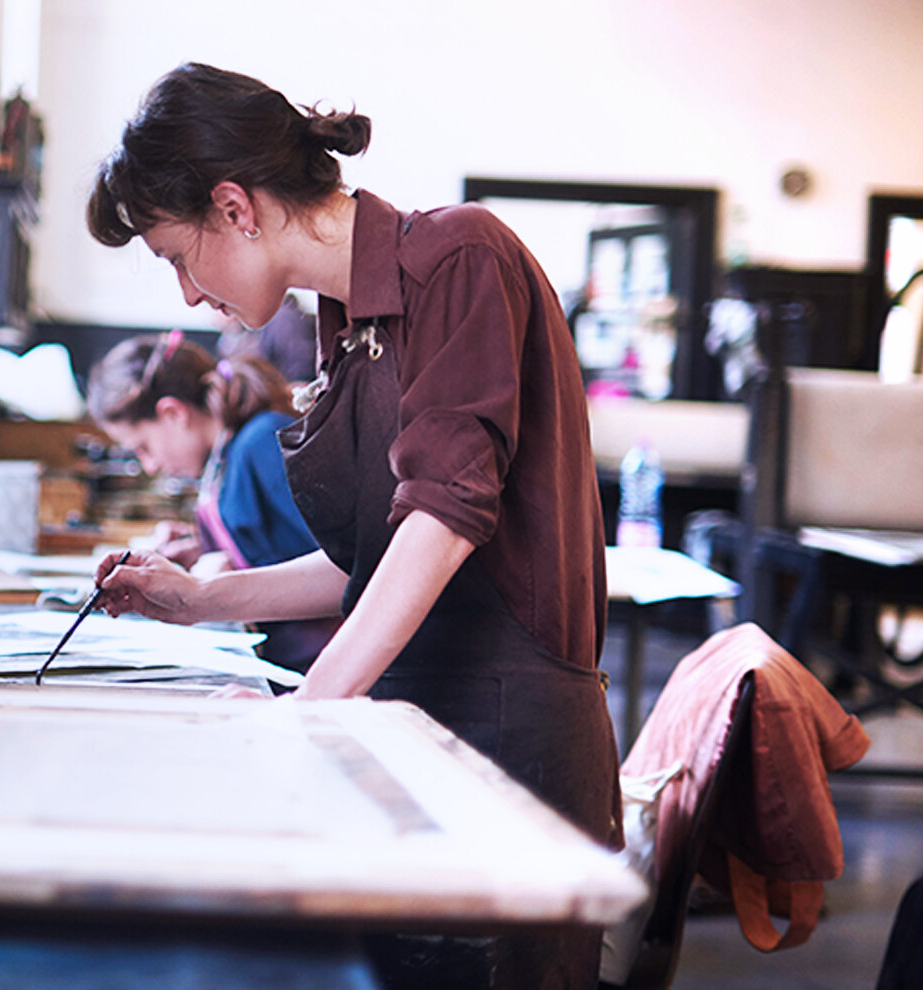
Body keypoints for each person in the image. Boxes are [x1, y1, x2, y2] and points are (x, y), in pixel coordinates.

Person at [85, 63, 619, 989]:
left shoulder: (460, 256)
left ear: (235, 207)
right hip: (418, 723)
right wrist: (200, 599)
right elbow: (377, 562)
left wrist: (308, 709)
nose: (183, 293)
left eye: (176, 254)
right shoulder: (346, 323)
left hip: (503, 744)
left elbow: (444, 523)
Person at [85, 328, 338, 674]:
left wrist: (220, 580)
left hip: (321, 667)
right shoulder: (225, 458)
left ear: (173, 413)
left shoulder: (260, 443)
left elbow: (345, 563)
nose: (150, 465)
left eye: (143, 447)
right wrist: (200, 550)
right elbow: (272, 545)